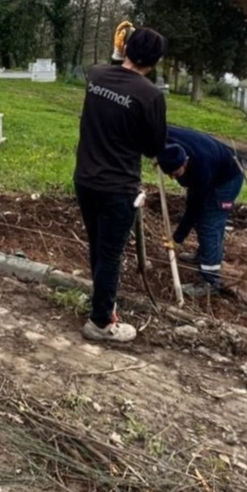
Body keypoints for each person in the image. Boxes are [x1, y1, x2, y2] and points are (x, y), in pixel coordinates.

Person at [74, 27, 169, 343]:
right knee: (111, 253)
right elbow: (153, 145)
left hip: (86, 178)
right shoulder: (151, 95)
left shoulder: (96, 75)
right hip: (118, 186)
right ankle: (101, 322)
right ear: (155, 61)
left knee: (98, 247)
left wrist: (120, 54)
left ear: (125, 48)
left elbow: (114, 73)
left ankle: (103, 304)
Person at [157, 126, 245, 297]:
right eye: (169, 175)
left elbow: (194, 207)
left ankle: (210, 281)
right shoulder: (162, 138)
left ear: (186, 161)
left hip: (228, 177)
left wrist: (177, 238)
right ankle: (204, 254)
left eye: (176, 173)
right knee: (203, 219)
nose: (173, 178)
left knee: (210, 223)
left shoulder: (201, 168)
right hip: (213, 167)